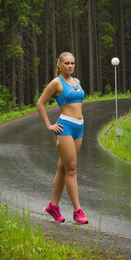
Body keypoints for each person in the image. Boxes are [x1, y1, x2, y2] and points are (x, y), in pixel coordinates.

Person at [37, 52, 88, 224]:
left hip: (78, 127)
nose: (70, 66)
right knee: (71, 168)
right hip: (64, 127)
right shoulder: (56, 82)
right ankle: (78, 211)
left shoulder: (77, 82)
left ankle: (53, 206)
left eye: (72, 63)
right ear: (59, 64)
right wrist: (48, 125)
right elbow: (40, 103)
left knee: (63, 168)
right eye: (66, 63)